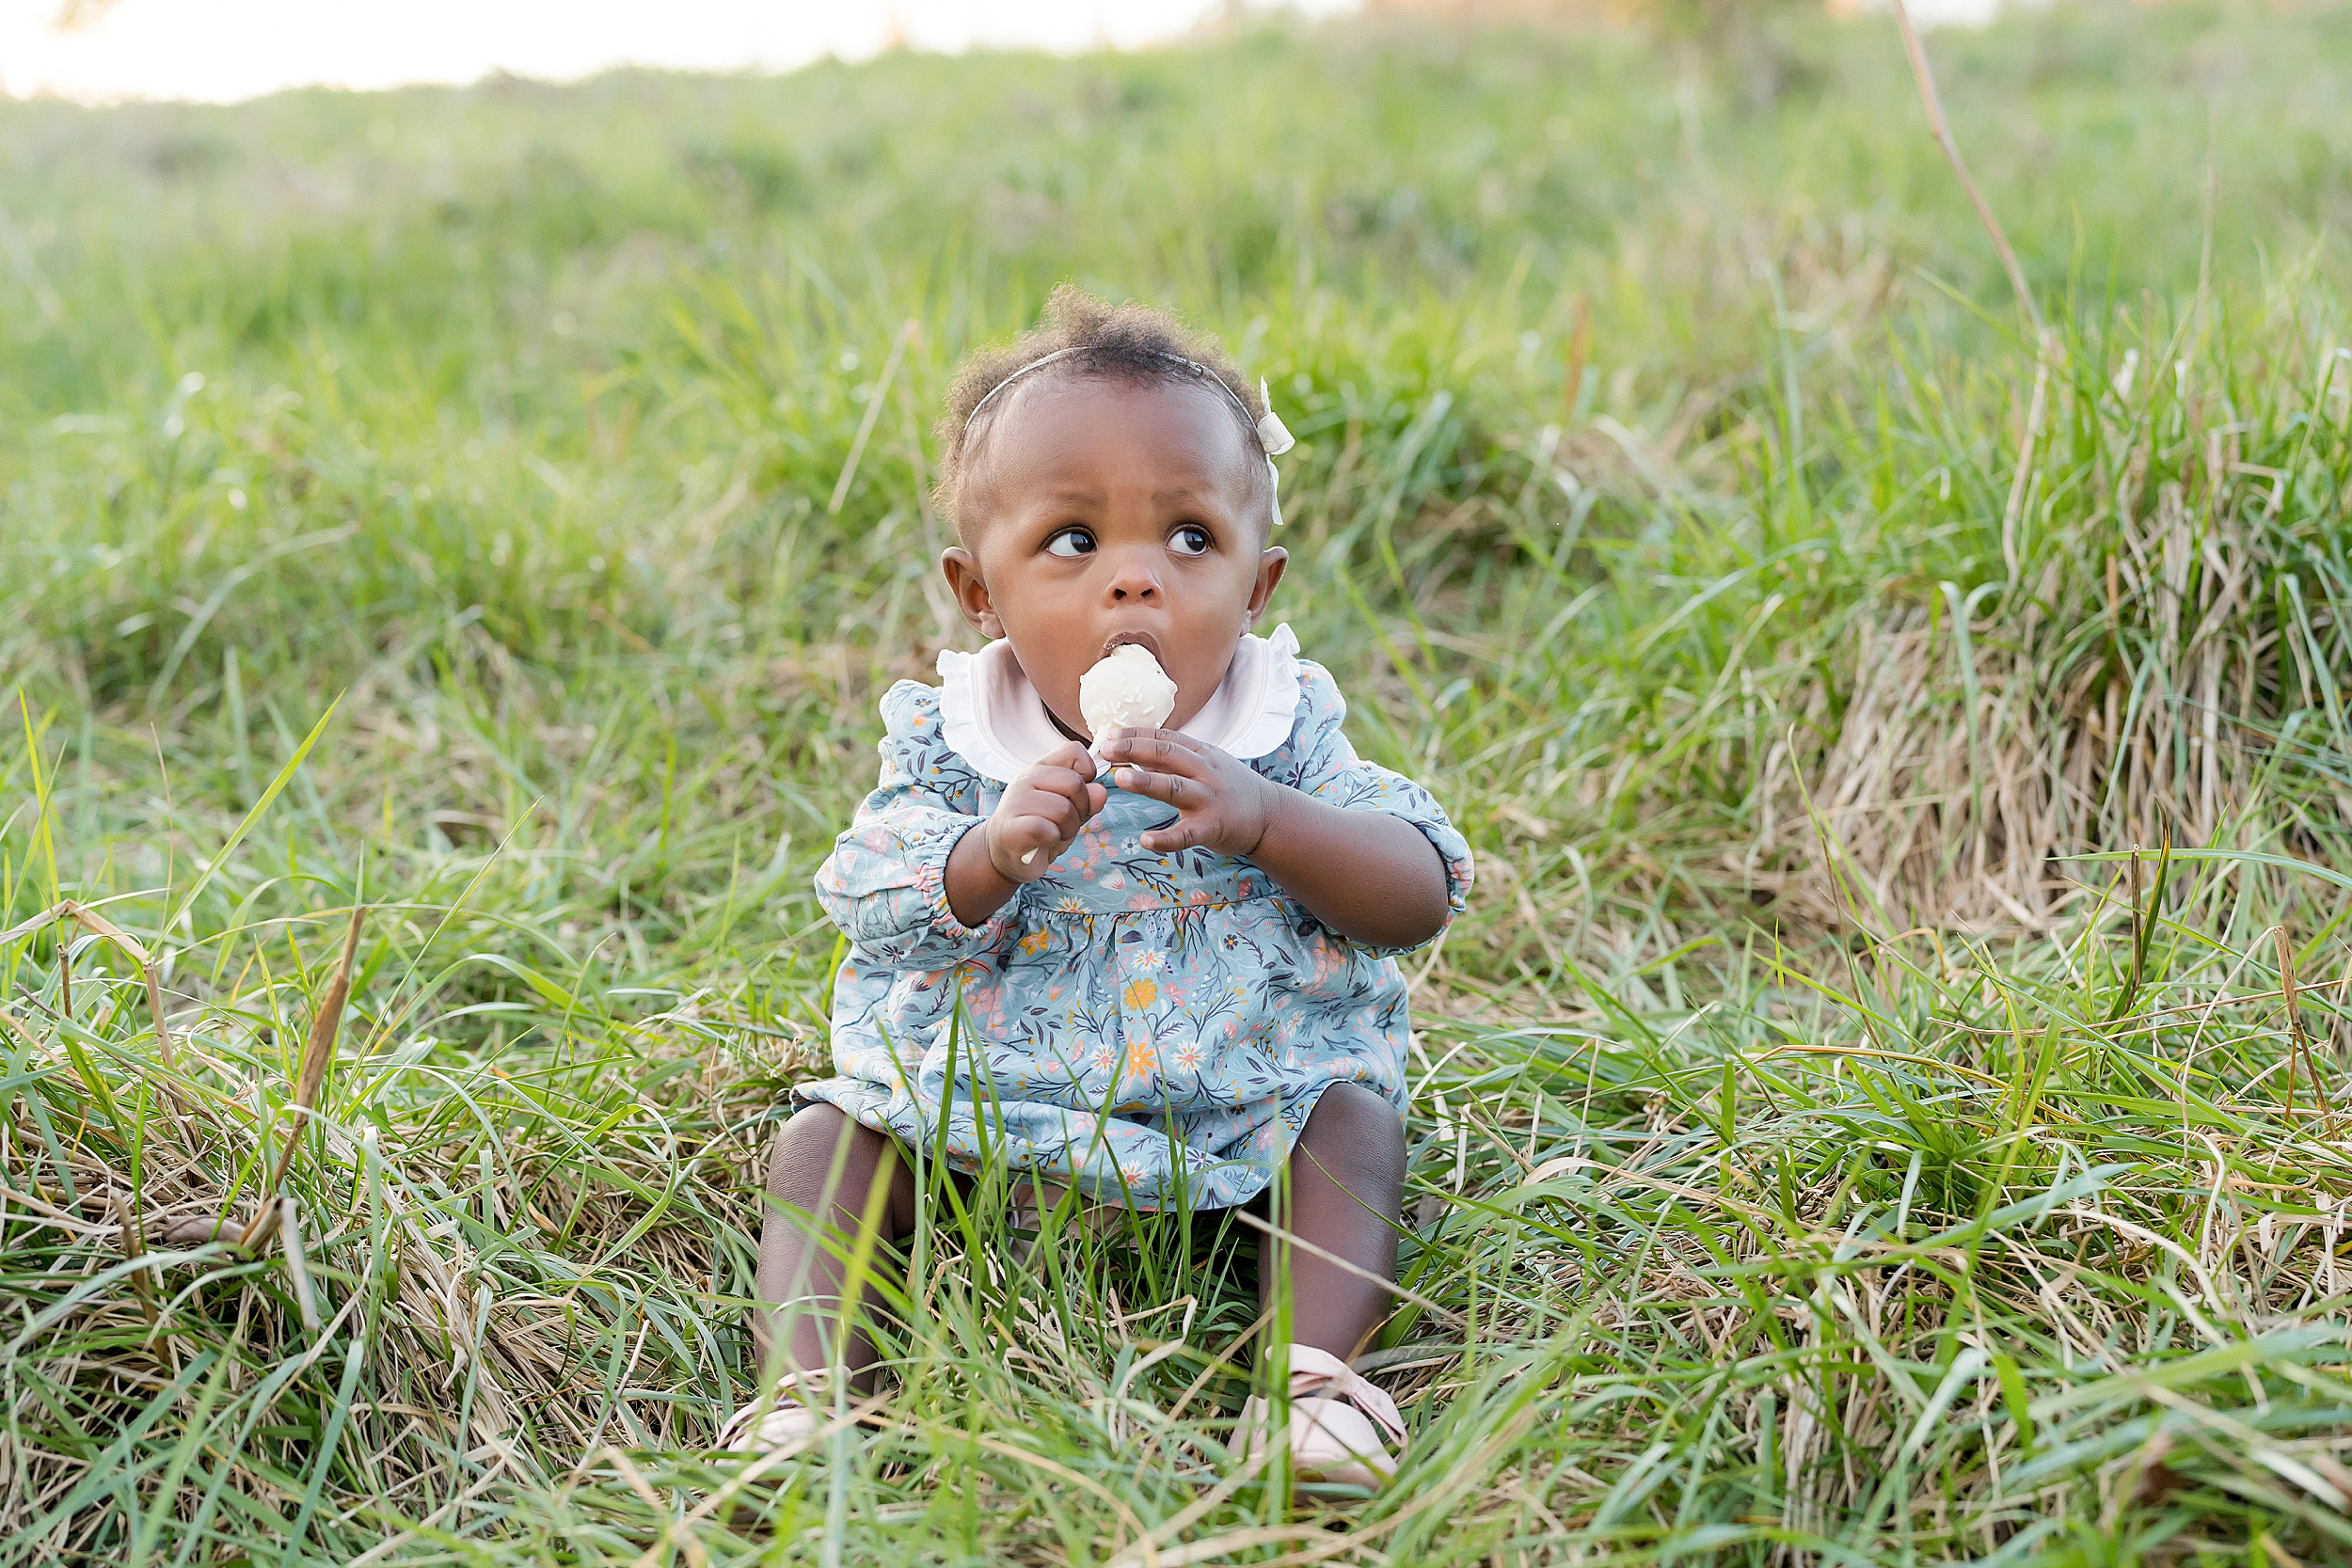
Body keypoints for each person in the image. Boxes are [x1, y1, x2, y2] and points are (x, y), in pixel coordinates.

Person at [726, 286, 1472, 1488]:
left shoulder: (1280, 735)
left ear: (1258, 583)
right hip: (982, 1122)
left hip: (1242, 1113)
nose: (1136, 580)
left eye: (1189, 537)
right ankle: (812, 1394)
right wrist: (985, 854)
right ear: (982, 593)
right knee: (826, 1141)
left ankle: (1316, 1387)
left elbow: (1419, 888)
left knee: (1357, 1129)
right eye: (1073, 541)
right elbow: (864, 890)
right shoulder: (955, 743)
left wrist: (1271, 820)